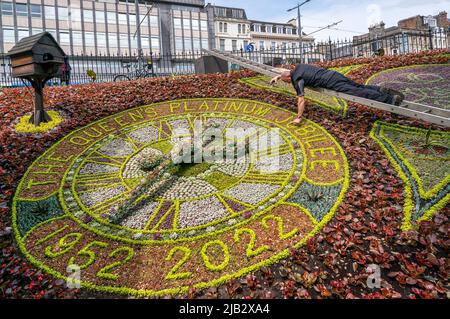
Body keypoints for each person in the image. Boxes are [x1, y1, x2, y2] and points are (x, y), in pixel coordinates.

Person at [270, 64, 405, 124]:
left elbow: (301, 100)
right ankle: (380, 90)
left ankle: (390, 99)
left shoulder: (297, 80)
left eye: (286, 81)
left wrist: (299, 117)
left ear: (289, 78)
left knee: (358, 93)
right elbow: (285, 71)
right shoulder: (298, 67)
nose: (287, 83)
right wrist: (277, 77)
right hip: (334, 74)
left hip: (332, 83)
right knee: (359, 86)